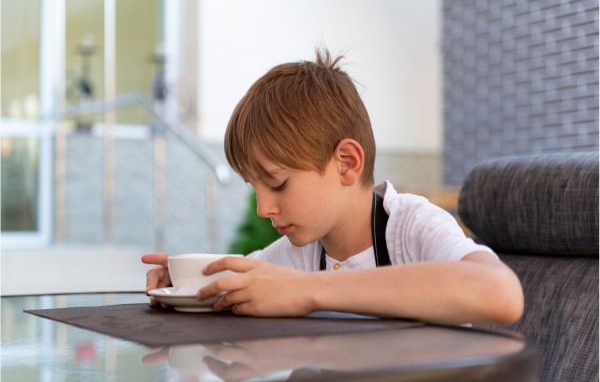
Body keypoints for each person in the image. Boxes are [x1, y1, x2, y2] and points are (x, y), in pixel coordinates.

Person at [142, 48, 523, 325]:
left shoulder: (410, 228)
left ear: (346, 164)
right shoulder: (299, 254)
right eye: (255, 188)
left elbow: (501, 294)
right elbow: (237, 281)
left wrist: (308, 291)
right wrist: (182, 280)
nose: (263, 208)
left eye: (277, 184)